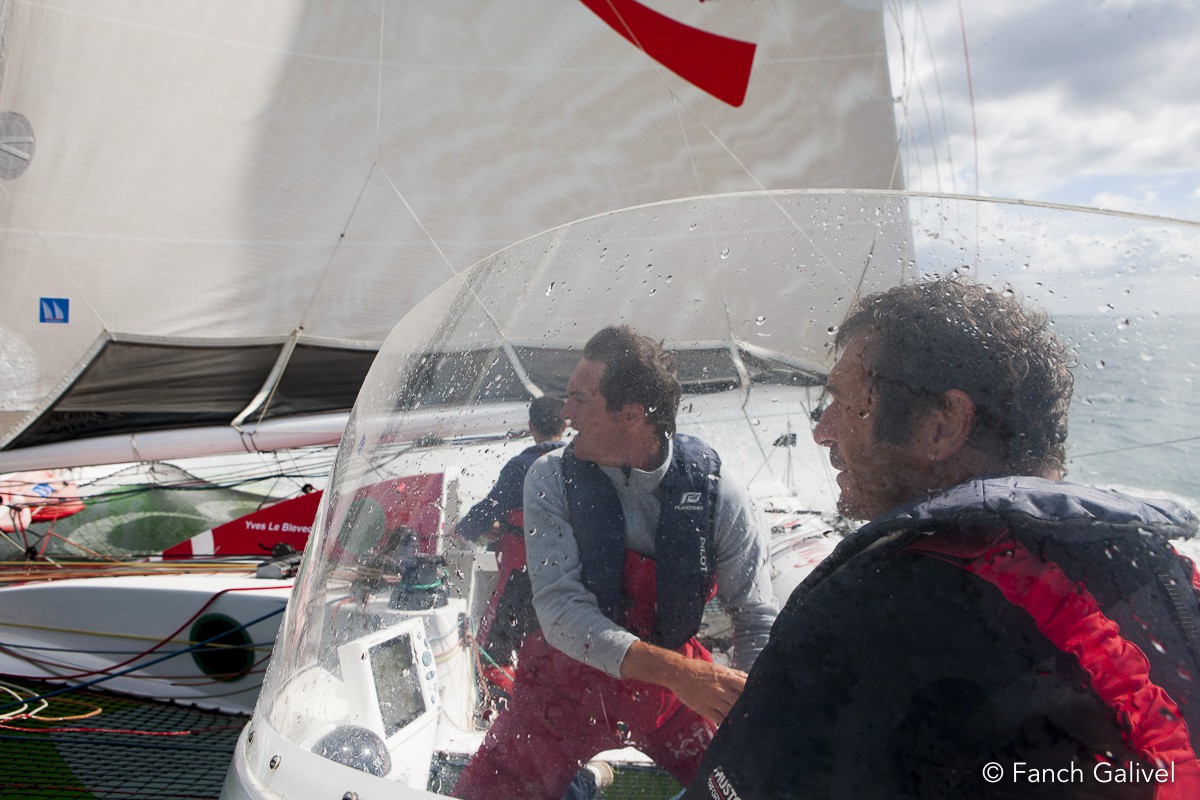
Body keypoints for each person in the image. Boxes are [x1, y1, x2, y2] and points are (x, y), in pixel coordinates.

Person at [685, 278, 1200, 799]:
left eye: (846, 400)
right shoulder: (1165, 569)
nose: (823, 430)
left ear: (944, 424)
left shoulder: (876, 607)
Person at [454, 325, 778, 800]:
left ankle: (585, 783)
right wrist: (680, 675)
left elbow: (754, 617)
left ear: (631, 414)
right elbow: (562, 612)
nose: (565, 414)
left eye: (580, 400)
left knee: (757, 785)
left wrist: (751, 715)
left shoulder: (718, 495)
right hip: (562, 682)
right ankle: (584, 782)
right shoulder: (549, 478)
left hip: (671, 693)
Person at [455, 394, 567, 673]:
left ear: (531, 426)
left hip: (521, 575)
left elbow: (489, 508)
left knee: (496, 644)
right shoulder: (577, 464)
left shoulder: (520, 466)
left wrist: (461, 531)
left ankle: (498, 688)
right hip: (565, 575)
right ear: (565, 426)